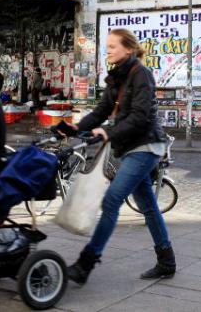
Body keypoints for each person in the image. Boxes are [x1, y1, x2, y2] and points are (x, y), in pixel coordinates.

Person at [65, 28, 174, 284]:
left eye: (113, 46)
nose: (108, 50)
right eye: (107, 47)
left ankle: (85, 264)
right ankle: (167, 261)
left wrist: (107, 132)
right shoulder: (117, 77)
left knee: (112, 200)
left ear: (128, 48)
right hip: (130, 147)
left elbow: (140, 117)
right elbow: (101, 110)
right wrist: (75, 127)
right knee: (148, 205)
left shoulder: (141, 75)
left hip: (146, 146)